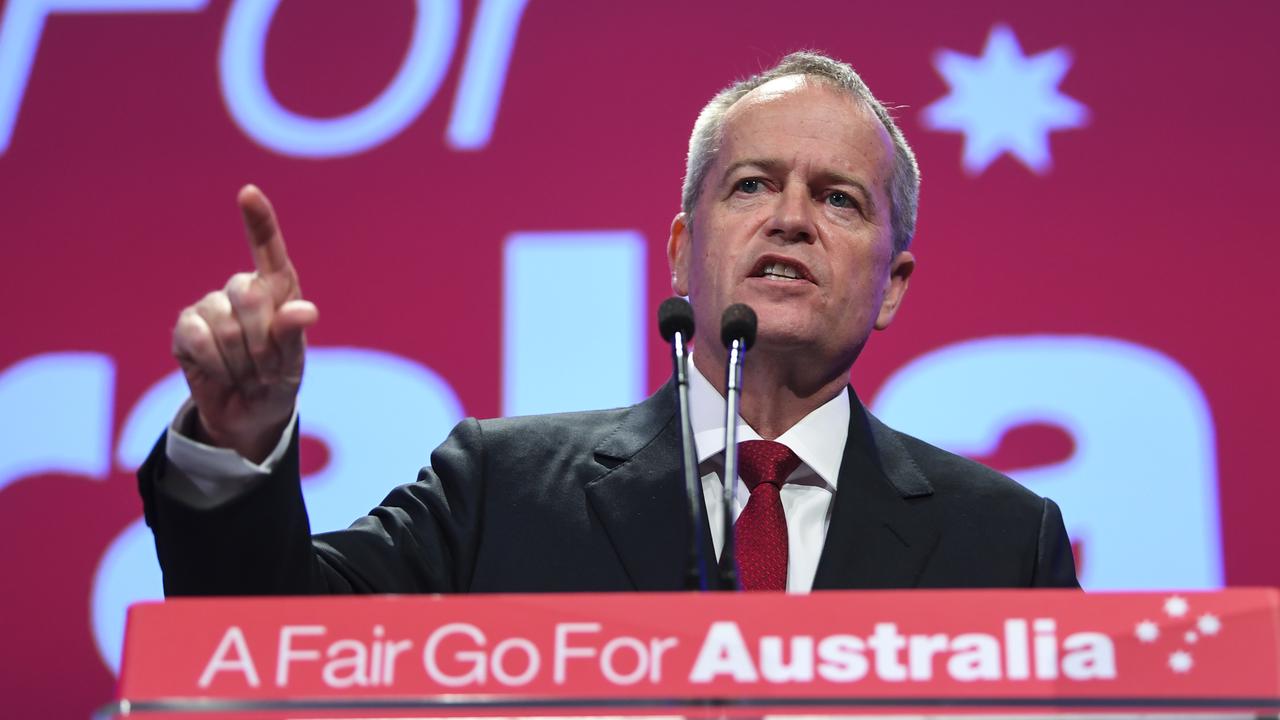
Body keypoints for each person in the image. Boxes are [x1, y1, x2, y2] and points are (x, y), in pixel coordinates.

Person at [138, 51, 1079, 596]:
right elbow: (272, 642)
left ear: (893, 285)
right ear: (681, 250)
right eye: (751, 185)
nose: (790, 217)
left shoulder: (1003, 540)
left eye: (838, 199)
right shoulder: (499, 490)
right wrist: (237, 444)